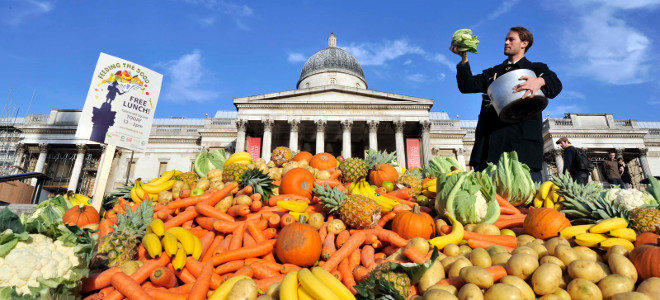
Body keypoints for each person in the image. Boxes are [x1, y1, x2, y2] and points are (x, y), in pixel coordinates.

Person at [450, 26, 562, 183]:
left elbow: (555, 84)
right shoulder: (494, 72)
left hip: (522, 147)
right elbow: (467, 86)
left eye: (511, 39)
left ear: (524, 43)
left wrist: (540, 81)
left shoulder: (536, 69)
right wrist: (463, 59)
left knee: (526, 201)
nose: (506, 42)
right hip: (490, 148)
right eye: (505, 39)